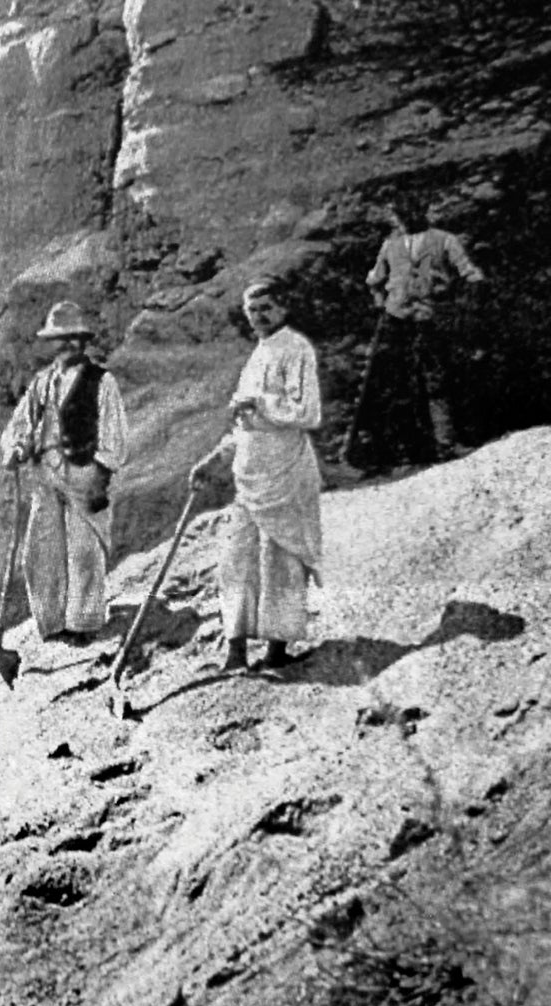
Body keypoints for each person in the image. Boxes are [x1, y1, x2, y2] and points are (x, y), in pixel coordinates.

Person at [191, 280, 323, 672]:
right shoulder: (258, 354)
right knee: (237, 560)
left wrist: (261, 402)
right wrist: (212, 458)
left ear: (283, 307)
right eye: (252, 311)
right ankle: (235, 651)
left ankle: (276, 650)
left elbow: (308, 413)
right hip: (249, 469)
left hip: (286, 468)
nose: (259, 316)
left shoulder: (297, 349)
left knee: (280, 560)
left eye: (266, 307)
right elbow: (242, 423)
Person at [0, 300, 128, 646]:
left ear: (84, 341)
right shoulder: (42, 383)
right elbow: (22, 425)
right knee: (40, 552)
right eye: (60, 338)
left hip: (84, 473)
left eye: (74, 337)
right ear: (51, 343)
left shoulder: (102, 382)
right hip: (46, 476)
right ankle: (52, 622)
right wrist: (16, 448)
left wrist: (102, 472)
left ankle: (84, 623)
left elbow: (114, 433)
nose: (67, 344)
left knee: (84, 551)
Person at [343, 194, 485, 472]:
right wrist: (381, 303)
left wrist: (460, 305)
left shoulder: (444, 240)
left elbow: (470, 274)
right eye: (397, 214)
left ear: (423, 209)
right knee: (393, 384)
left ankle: (446, 444)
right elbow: (374, 279)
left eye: (408, 211)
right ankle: (399, 454)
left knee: (436, 380)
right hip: (395, 321)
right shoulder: (390, 245)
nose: (403, 218)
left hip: (429, 320)